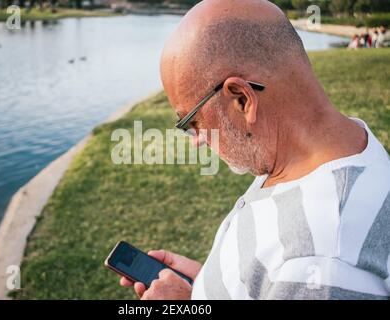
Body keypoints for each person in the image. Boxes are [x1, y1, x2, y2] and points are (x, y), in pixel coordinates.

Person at [119, 0, 390, 300]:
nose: (195, 139)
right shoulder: (325, 149)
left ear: (242, 100)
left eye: (190, 122)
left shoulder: (317, 259)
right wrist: (208, 285)